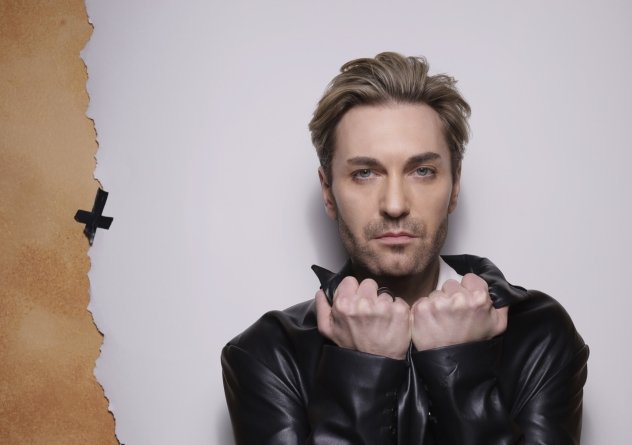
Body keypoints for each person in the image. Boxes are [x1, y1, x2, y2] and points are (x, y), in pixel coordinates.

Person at [221, 52, 589, 444]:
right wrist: (364, 367)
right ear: (328, 192)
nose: (395, 205)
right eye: (365, 173)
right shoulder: (268, 354)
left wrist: (459, 363)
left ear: (455, 186)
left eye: (422, 171)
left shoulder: (537, 334)